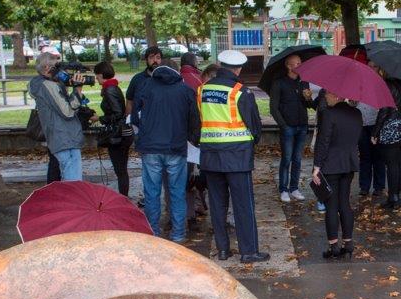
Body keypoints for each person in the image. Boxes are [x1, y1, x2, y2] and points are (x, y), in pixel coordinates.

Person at [196, 50, 268, 263]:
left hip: (210, 156)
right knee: (243, 205)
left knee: (218, 206)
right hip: (237, 157)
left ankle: (224, 250)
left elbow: (198, 121)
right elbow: (254, 126)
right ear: (238, 69)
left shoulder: (202, 90)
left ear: (220, 66)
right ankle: (249, 251)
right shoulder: (240, 92)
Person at [135, 62, 198, 242]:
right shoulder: (185, 90)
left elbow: (135, 116)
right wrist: (193, 140)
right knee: (177, 193)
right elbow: (194, 120)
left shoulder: (145, 87)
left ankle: (152, 232)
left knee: (151, 193)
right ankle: (178, 234)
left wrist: (145, 132)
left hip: (150, 148)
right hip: (176, 147)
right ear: (177, 71)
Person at [312, 90, 362, 259]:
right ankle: (348, 243)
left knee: (331, 206)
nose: (325, 98)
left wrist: (316, 166)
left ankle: (333, 245)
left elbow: (323, 141)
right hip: (349, 163)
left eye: (327, 95)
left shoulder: (328, 114)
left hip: (331, 164)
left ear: (336, 95)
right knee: (345, 203)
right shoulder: (356, 113)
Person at [29, 52, 90, 181]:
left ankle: (64, 200)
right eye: (57, 66)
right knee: (73, 181)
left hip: (65, 137)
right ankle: (70, 201)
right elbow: (67, 111)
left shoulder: (47, 84)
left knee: (65, 176)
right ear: (46, 68)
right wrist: (78, 89)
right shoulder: (48, 86)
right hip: (63, 137)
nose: (61, 71)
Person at [269, 53, 318, 204]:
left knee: (297, 159)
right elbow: (273, 108)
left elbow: (311, 106)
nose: (299, 66)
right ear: (288, 66)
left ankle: (294, 188)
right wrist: (283, 125)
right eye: (296, 64)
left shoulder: (303, 83)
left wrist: (309, 98)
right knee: (287, 159)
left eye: (300, 63)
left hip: (302, 125)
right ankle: (283, 189)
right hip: (288, 127)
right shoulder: (279, 83)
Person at [371, 70, 401, 211]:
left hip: (391, 127)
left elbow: (384, 111)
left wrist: (375, 132)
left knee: (392, 164)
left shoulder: (386, 85)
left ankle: (393, 197)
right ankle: (399, 194)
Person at [94, 60, 134, 197]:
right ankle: (124, 196)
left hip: (118, 135)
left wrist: (99, 119)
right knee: (121, 169)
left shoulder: (109, 90)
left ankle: (123, 197)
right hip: (124, 133)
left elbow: (117, 113)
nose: (96, 79)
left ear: (101, 74)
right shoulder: (113, 87)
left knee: (120, 169)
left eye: (97, 76)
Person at [355, 98, 386, 198]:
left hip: (375, 124)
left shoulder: (376, 87)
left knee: (378, 157)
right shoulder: (356, 87)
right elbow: (352, 105)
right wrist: (352, 103)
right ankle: (364, 186)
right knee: (364, 157)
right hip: (361, 124)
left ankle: (379, 187)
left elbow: (383, 107)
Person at [126, 45, 164, 121]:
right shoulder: (137, 79)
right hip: (140, 123)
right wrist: (129, 120)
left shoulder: (165, 78)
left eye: (158, 57)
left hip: (161, 122)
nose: (155, 60)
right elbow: (129, 101)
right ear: (146, 60)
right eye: (151, 57)